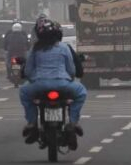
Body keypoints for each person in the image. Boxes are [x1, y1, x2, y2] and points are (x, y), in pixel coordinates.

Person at [19, 17, 87, 145]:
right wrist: (69, 79)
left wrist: (35, 79)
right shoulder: (64, 47)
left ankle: (32, 123)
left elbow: (28, 71)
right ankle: (73, 122)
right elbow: (72, 70)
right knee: (81, 92)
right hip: (63, 83)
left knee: (23, 92)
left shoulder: (35, 49)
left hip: (39, 84)